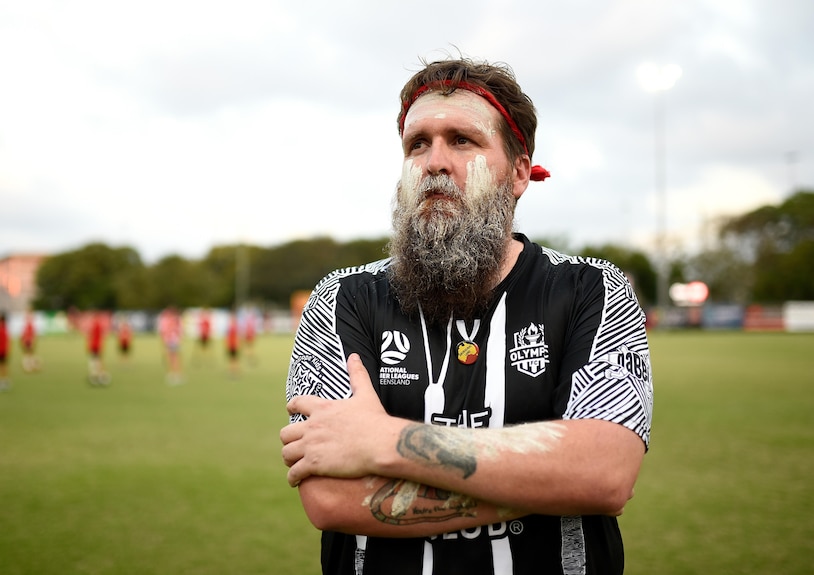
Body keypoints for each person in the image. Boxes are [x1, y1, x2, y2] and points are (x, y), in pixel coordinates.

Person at [280, 56, 654, 575]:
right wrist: (548, 479)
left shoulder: (591, 289)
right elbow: (332, 501)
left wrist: (383, 442)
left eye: (462, 140)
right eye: (418, 144)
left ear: (520, 172)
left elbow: (604, 473)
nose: (435, 161)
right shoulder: (341, 300)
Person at [159, 306, 183, 385]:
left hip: (172, 341)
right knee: (172, 357)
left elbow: (166, 331)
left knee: (173, 357)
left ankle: (175, 373)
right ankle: (174, 373)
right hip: (171, 341)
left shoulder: (172, 320)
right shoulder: (174, 320)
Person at [87, 312, 110, 386]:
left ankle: (99, 375)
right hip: (97, 345)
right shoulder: (98, 325)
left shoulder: (95, 325)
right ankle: (99, 375)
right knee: (97, 360)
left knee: (95, 360)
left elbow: (91, 336)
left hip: (95, 345)